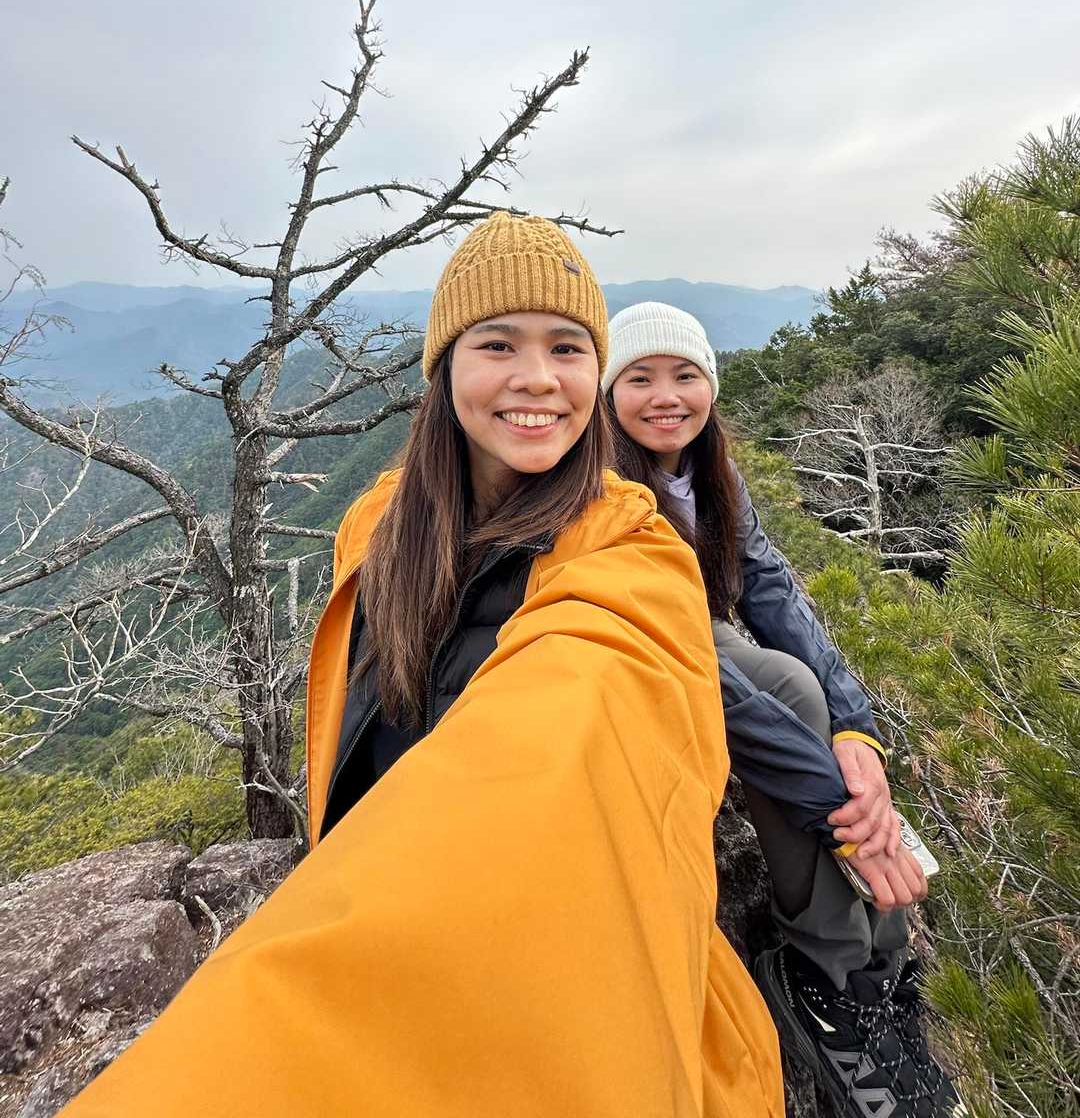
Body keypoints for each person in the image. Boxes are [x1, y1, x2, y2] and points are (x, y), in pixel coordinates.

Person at [62, 217, 782, 1118]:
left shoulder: (630, 552)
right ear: (442, 368)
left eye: (567, 348)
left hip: (562, 977)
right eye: (497, 344)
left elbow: (556, 737)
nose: (538, 377)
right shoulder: (380, 528)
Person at [604, 301, 967, 1118]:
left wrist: (857, 729)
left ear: (710, 385)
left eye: (685, 375)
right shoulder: (606, 488)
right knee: (790, 695)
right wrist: (840, 806)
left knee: (808, 689)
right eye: (639, 378)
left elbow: (772, 591)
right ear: (607, 394)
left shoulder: (712, 474)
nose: (666, 396)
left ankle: (878, 967)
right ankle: (827, 972)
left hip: (699, 629)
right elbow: (690, 653)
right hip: (637, 641)